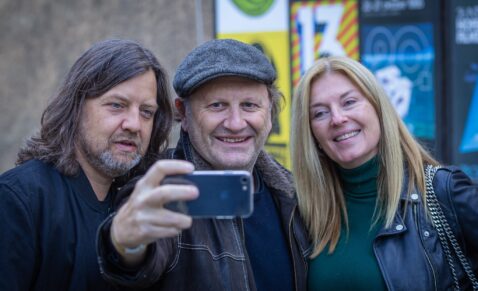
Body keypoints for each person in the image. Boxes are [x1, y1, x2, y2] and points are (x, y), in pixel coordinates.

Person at [96, 38, 310, 290]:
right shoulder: (162, 188)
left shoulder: (292, 194)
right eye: (217, 105)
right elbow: (135, 258)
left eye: (249, 105)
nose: (235, 122)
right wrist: (125, 243)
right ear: (183, 114)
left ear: (270, 113)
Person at [290, 56, 478, 290]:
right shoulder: (302, 213)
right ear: (311, 134)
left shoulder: (444, 192)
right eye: (320, 113)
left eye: (349, 102)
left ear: (379, 109)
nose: (338, 118)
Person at [0, 39, 173, 291]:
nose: (134, 124)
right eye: (117, 105)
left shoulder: (137, 202)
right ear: (76, 107)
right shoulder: (19, 198)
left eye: (146, 112)